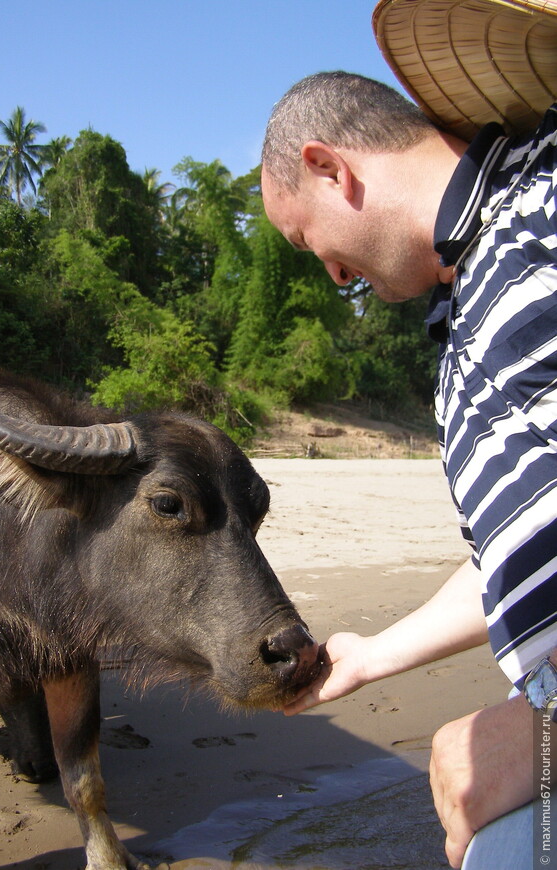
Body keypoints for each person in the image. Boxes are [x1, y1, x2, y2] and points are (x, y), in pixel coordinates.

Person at [260, 1, 557, 867]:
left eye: (308, 243)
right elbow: (527, 549)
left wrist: (540, 741)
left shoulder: (543, 199)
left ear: (328, 169)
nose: (330, 272)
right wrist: (370, 656)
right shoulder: (467, 312)